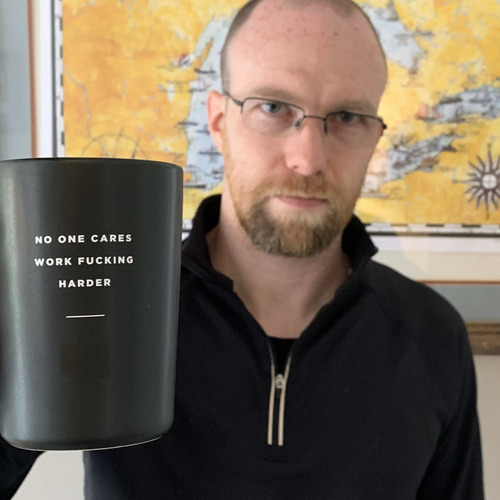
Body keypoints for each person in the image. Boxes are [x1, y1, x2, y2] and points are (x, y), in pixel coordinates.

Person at [1, 0, 484, 498]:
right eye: (273, 107)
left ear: (375, 135)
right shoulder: (107, 303)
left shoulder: (432, 334)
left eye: (347, 116)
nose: (307, 159)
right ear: (217, 122)